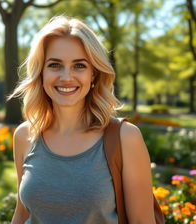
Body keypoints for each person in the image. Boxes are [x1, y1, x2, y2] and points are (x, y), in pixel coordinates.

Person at [9, 15, 156, 224]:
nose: (66, 77)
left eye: (79, 66)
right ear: (41, 72)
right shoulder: (25, 136)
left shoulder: (126, 138)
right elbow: (23, 213)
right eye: (54, 65)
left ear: (94, 75)